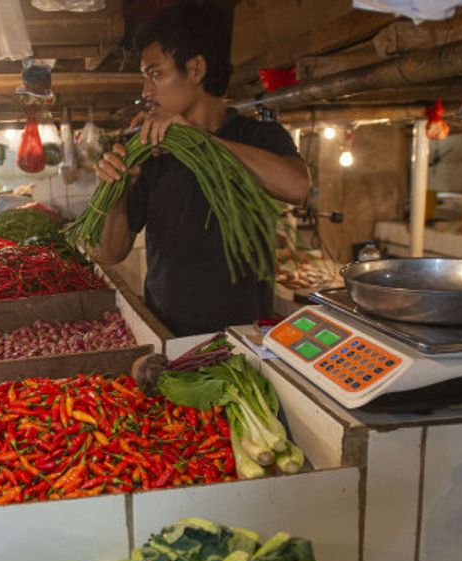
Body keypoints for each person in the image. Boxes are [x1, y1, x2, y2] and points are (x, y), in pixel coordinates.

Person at [93, 1, 310, 337]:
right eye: (145, 77)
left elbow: (297, 187)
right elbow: (109, 253)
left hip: (244, 339)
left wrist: (203, 140)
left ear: (195, 69)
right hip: (166, 335)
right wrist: (116, 192)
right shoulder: (149, 150)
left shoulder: (257, 135)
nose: (145, 90)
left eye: (155, 74)